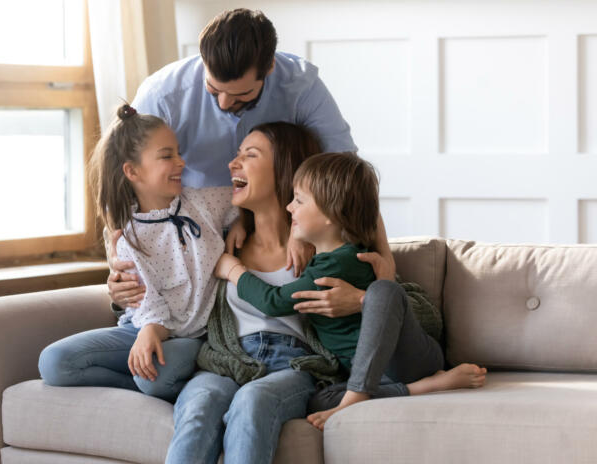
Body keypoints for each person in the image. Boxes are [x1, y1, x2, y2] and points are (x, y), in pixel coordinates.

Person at [109, 7, 398, 308]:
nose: (223, 103)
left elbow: (350, 179)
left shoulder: (302, 87)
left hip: (280, 223)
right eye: (213, 89)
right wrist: (118, 263)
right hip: (190, 232)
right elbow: (122, 184)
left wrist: (384, 264)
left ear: (269, 68)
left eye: (240, 95)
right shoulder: (163, 94)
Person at [215, 152, 487, 431]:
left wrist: (234, 270)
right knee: (319, 399)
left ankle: (363, 393)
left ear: (332, 214)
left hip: (407, 358)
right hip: (372, 375)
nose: (288, 207)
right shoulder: (322, 261)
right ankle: (416, 388)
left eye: (298, 200)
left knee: (384, 291)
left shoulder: (345, 260)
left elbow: (272, 302)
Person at [38, 104, 239, 402]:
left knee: (156, 376)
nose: (181, 162)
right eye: (167, 156)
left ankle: (164, 379)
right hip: (142, 328)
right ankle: (143, 385)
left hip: (190, 337)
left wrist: (243, 221)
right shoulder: (124, 233)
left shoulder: (203, 203)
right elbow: (144, 299)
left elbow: (247, 198)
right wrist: (150, 332)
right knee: (54, 363)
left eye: (178, 152)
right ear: (132, 171)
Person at [165, 122, 336, 464]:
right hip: (226, 360)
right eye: (237, 154)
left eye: (250, 155)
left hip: (293, 365)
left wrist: (363, 296)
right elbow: (162, 268)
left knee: (254, 400)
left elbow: (385, 293)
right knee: (199, 406)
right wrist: (121, 286)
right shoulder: (219, 239)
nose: (233, 163)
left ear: (285, 169)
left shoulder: (323, 242)